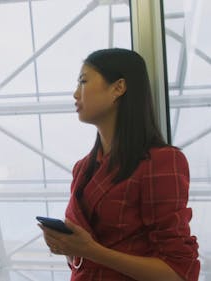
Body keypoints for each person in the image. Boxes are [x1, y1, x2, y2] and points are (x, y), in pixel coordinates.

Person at [38, 48, 200, 281]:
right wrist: (67, 246)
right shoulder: (83, 168)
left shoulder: (161, 163)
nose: (75, 94)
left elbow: (177, 272)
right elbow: (82, 256)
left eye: (83, 81)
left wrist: (90, 251)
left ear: (118, 88)